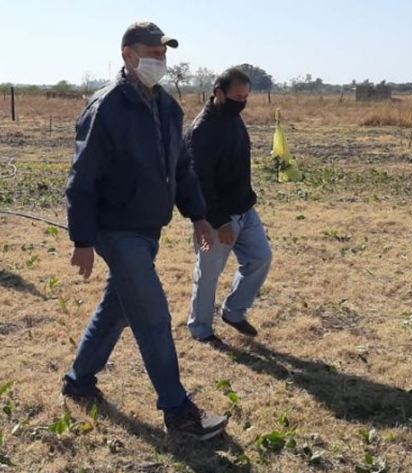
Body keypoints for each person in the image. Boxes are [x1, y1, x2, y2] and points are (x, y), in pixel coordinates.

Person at [62, 21, 228, 441]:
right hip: (115, 229)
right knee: (153, 315)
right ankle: (178, 410)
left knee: (117, 307)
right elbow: (82, 177)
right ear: (127, 54)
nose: (160, 59)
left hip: (148, 229)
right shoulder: (106, 108)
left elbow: (182, 168)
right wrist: (82, 239)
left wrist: (198, 214)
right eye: (152, 52)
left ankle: (80, 379)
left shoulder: (169, 108)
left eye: (163, 53)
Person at [186, 67, 273, 342]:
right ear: (219, 94)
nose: (243, 102)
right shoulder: (203, 130)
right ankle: (201, 329)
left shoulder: (233, 119)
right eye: (238, 96)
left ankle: (234, 312)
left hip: (245, 209)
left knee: (261, 258)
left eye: (247, 96)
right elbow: (199, 181)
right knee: (208, 274)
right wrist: (220, 219)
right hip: (217, 217)